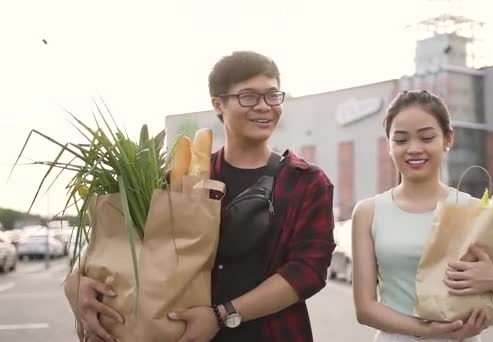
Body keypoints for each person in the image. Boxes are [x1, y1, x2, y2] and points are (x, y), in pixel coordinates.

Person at [63, 51, 336, 342]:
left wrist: (221, 315)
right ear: (218, 105)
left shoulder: (305, 182)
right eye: (248, 97)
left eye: (272, 95)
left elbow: (308, 270)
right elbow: (126, 245)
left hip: (274, 334)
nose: (264, 107)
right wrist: (75, 281)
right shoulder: (179, 178)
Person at [351, 90, 493, 342]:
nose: (413, 149)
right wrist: (427, 330)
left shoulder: (475, 210)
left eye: (426, 137)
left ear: (448, 139)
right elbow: (365, 309)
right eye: (400, 140)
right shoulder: (368, 212)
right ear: (388, 145)